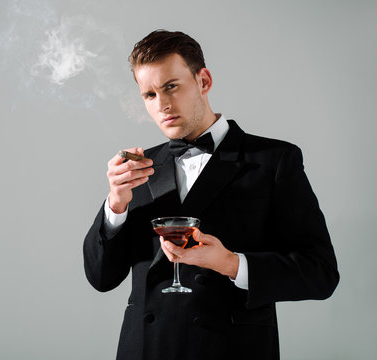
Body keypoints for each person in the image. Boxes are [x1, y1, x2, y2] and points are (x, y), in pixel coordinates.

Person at [83, 30, 339, 360]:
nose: (162, 105)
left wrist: (231, 263)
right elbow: (101, 278)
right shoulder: (139, 169)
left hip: (231, 350)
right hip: (146, 349)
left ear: (203, 80)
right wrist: (115, 205)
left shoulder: (273, 160)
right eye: (149, 95)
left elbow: (320, 273)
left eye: (171, 87)